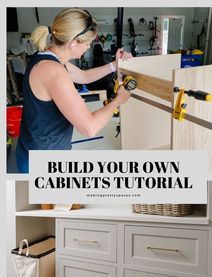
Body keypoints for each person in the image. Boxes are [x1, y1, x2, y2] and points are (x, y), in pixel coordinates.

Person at [16, 8, 132, 173]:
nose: (89, 46)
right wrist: (119, 100)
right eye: (87, 42)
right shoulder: (53, 71)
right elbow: (89, 128)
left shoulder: (47, 57)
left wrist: (114, 65)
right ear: (73, 42)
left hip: (35, 150)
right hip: (42, 163)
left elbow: (83, 77)